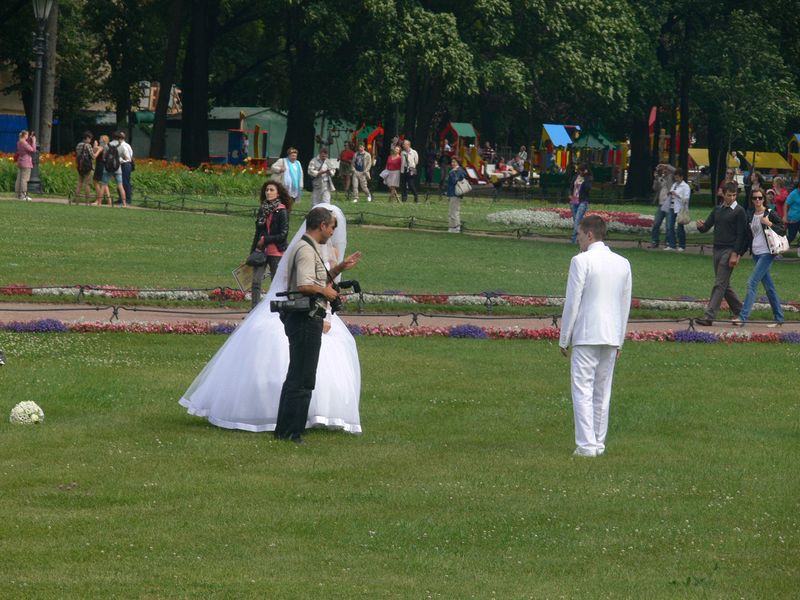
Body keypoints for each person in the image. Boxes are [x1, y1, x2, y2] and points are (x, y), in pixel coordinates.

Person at [180, 203, 363, 438]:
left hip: (308, 316)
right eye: (330, 228)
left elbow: (315, 277)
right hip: (305, 318)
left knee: (300, 376)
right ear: (322, 225)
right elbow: (304, 285)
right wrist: (326, 292)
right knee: (301, 378)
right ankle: (290, 432)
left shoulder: (310, 247)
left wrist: (338, 268)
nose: (332, 233)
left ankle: (287, 430)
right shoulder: (306, 250)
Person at [559, 215, 632, 458]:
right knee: (602, 392)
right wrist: (620, 338)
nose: (577, 238)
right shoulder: (623, 263)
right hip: (611, 334)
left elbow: (572, 303)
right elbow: (625, 305)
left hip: (587, 333)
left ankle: (587, 445)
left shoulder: (581, 261)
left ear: (590, 234)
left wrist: (564, 337)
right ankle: (598, 443)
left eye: (579, 234)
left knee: (582, 389)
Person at [694, 181, 748, 326]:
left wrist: (735, 254)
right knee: (724, 285)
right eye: (729, 195)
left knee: (719, 284)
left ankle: (709, 316)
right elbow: (706, 227)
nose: (732, 198)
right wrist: (700, 226)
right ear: (722, 194)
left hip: (729, 250)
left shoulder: (739, 211)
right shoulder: (717, 210)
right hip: (717, 249)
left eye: (734, 195)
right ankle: (741, 311)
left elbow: (741, 235)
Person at [735, 191, 785, 327]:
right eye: (754, 198)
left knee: (752, 283)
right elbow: (747, 236)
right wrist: (739, 253)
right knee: (769, 287)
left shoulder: (770, 213)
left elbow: (782, 230)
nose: (757, 200)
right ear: (751, 200)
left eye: (760, 198)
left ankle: (743, 317)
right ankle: (779, 318)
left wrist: (769, 223)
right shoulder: (750, 214)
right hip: (756, 254)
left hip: (767, 253)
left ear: (763, 199)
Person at [250, 181, 292, 308]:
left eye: (271, 190)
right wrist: (252, 251)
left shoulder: (282, 211)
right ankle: (254, 310)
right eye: (267, 190)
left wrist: (266, 239)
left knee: (276, 283)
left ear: (278, 193)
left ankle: (277, 310)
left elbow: (283, 235)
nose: (268, 192)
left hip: (276, 251)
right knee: (256, 281)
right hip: (261, 250)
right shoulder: (263, 209)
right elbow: (258, 232)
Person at [648, 163, 676, 248]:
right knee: (656, 223)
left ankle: (669, 242)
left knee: (669, 225)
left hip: (669, 205)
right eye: (663, 170)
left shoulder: (671, 178)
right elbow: (655, 188)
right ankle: (654, 241)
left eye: (665, 169)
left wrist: (665, 165)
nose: (664, 171)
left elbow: (675, 171)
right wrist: (656, 178)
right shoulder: (660, 179)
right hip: (661, 204)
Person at [665, 167, 691, 251]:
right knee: (670, 226)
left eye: (677, 177)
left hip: (680, 209)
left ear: (681, 177)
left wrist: (677, 195)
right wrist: (670, 193)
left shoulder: (685, 186)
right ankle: (672, 244)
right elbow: (671, 193)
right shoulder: (674, 185)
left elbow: (686, 199)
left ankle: (682, 245)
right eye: (675, 177)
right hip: (671, 207)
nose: (676, 179)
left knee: (680, 227)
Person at [569, 164, 592, 243]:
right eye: (579, 170)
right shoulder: (575, 177)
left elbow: (588, 188)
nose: (580, 172)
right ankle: (580, 238)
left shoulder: (588, 178)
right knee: (576, 221)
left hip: (582, 201)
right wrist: (570, 195)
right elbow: (571, 186)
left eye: (582, 170)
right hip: (574, 201)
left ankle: (573, 239)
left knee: (577, 221)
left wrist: (584, 179)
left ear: (585, 170)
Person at [104, 132, 127, 207]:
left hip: (108, 168)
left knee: (103, 184)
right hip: (117, 168)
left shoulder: (107, 145)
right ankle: (124, 204)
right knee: (120, 186)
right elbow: (126, 157)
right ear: (119, 138)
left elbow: (104, 157)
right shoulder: (121, 146)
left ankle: (99, 202)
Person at [446, 158, 467, 233]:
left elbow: (455, 180)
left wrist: (452, 173)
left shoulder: (457, 171)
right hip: (453, 193)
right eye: (452, 161)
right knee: (453, 211)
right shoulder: (458, 170)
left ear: (458, 163)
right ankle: (453, 227)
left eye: (454, 162)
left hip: (455, 193)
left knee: (454, 211)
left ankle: (455, 228)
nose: (452, 163)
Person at [15, 130, 36, 201]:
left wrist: (30, 139)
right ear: (24, 135)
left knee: (19, 178)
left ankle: (18, 195)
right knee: (25, 179)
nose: (28, 136)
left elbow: (27, 146)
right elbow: (33, 150)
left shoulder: (19, 142)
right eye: (27, 135)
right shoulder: (24, 143)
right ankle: (23, 195)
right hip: (26, 162)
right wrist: (34, 141)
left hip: (20, 161)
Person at [74, 131, 95, 203]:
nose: (90, 140)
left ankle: (76, 200)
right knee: (87, 184)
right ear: (87, 138)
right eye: (90, 139)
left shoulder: (78, 145)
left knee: (79, 183)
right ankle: (87, 200)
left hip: (80, 166)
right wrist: (95, 149)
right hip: (87, 167)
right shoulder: (88, 145)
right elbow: (93, 156)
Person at [93, 135, 111, 207]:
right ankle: (109, 201)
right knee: (104, 184)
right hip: (105, 166)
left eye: (100, 139)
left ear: (103, 140)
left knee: (96, 182)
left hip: (99, 166)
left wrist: (95, 145)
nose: (99, 140)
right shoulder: (107, 147)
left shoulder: (101, 147)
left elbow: (94, 156)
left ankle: (98, 200)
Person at [118, 131, 134, 205]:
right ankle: (122, 198)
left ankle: (127, 199)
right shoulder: (127, 145)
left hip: (124, 164)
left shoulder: (122, 146)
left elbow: (126, 157)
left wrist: (120, 158)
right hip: (128, 164)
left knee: (125, 182)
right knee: (123, 182)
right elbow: (131, 155)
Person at [786, 180, 800, 245]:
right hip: (793, 219)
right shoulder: (793, 194)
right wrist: (785, 216)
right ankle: (779, 249)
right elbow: (786, 205)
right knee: (791, 237)